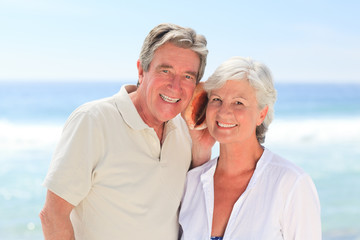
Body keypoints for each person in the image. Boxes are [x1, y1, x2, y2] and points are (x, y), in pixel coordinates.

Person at [39, 23, 213, 240]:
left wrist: (202, 148)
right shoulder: (93, 120)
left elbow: (195, 210)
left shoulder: (185, 130)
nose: (175, 86)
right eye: (165, 70)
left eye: (187, 76)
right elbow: (53, 215)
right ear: (141, 70)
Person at [179, 56, 322, 239]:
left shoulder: (291, 183)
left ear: (261, 114)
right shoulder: (192, 182)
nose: (223, 111)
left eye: (239, 102)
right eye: (216, 99)